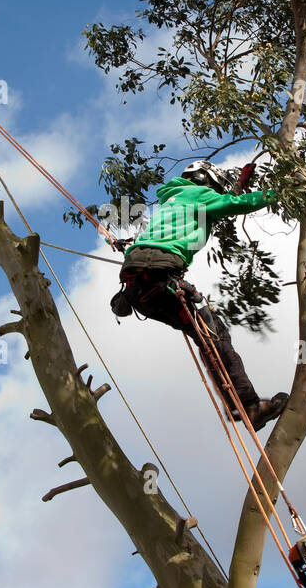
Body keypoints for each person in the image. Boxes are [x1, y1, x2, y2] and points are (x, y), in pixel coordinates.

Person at [110, 159, 288, 429]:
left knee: (206, 337)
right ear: (204, 181)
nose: (215, 193)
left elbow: (220, 201)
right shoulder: (199, 196)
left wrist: (239, 185)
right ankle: (248, 406)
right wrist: (279, 192)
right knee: (215, 336)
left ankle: (240, 405)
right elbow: (233, 204)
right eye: (213, 187)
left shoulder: (170, 202)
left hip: (138, 292)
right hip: (162, 282)